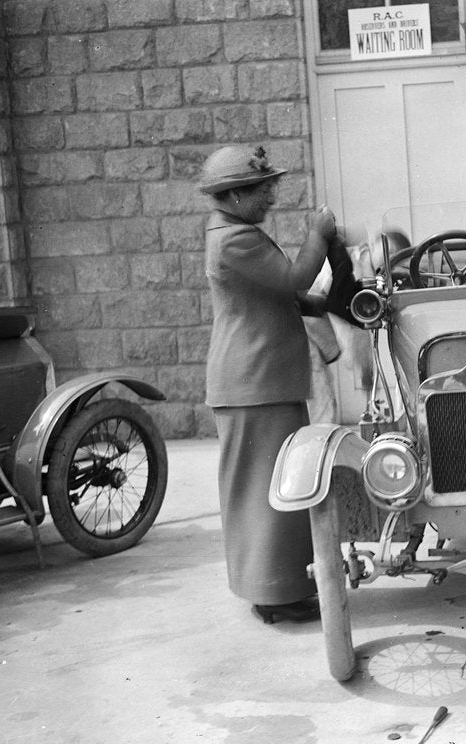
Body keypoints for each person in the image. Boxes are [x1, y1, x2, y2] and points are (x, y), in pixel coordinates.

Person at [200, 144, 349, 624]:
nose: (270, 198)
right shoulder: (234, 240)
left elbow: (279, 294)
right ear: (236, 194)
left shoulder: (237, 232)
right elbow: (288, 278)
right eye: (263, 190)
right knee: (268, 493)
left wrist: (323, 300)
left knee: (275, 490)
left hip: (262, 382)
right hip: (254, 384)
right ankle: (273, 594)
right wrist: (317, 236)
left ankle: (279, 587)